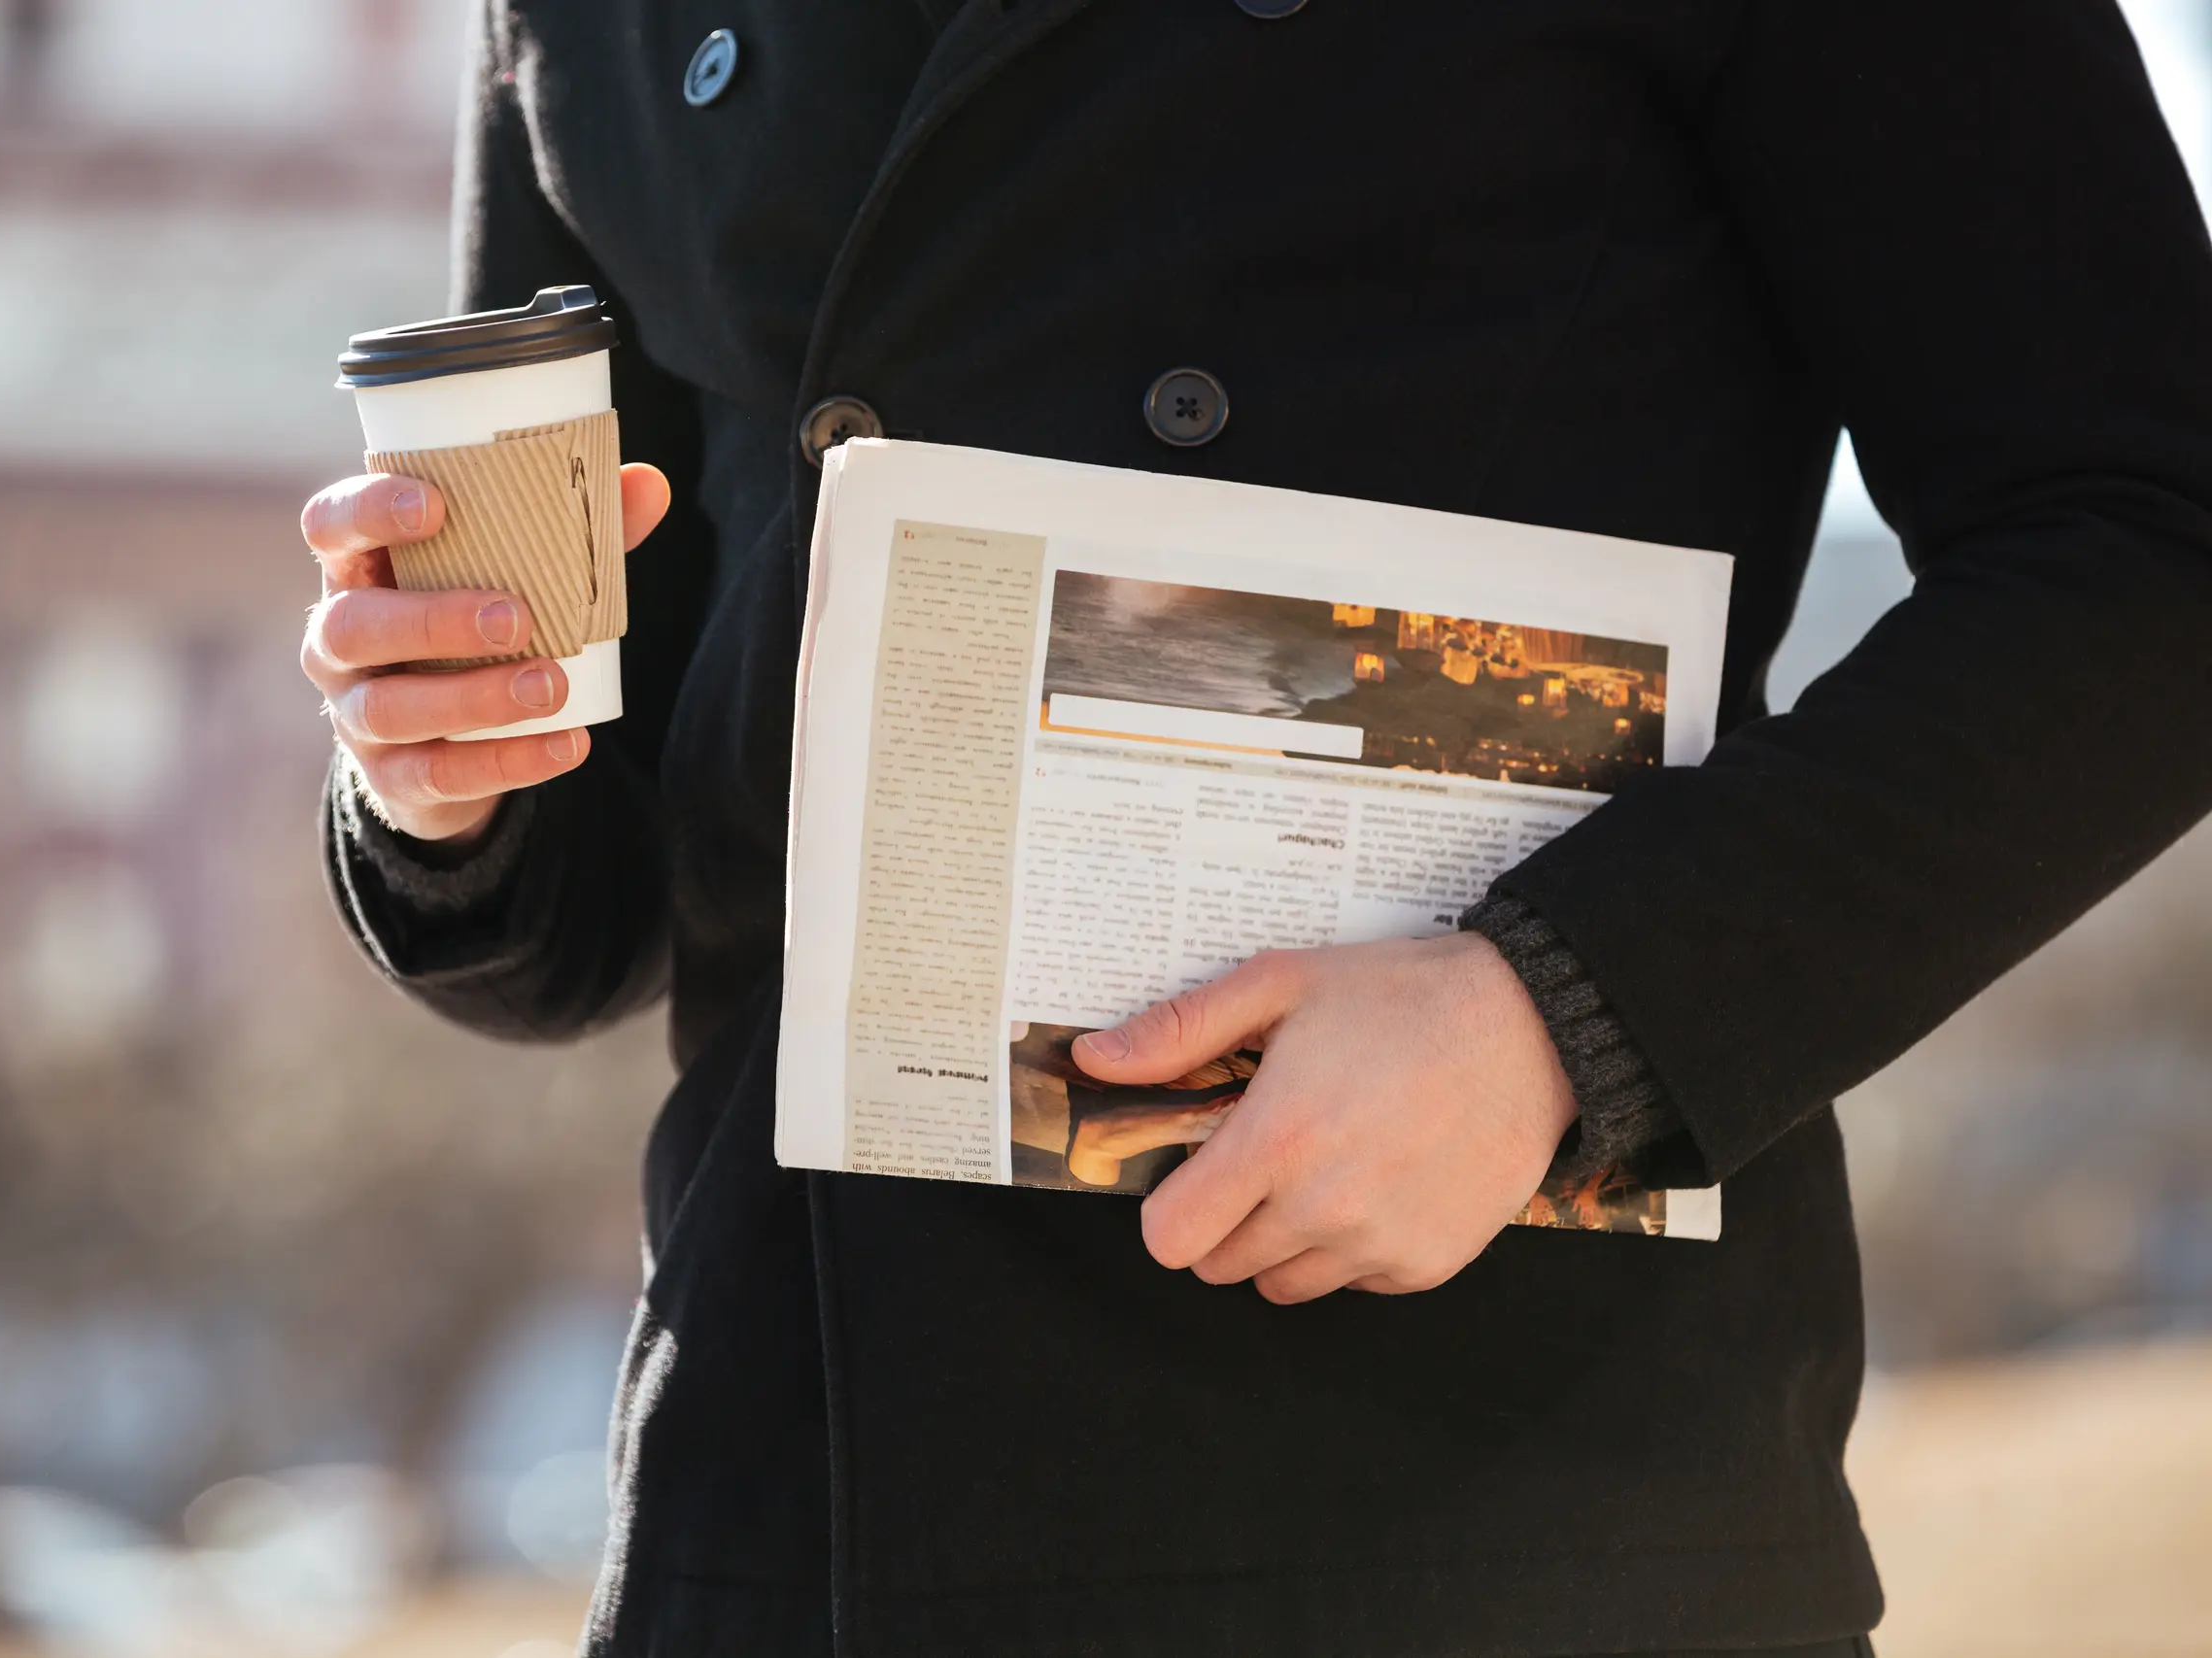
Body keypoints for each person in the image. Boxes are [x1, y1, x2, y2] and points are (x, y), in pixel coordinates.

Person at [296, 4, 2212, 1654]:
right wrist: (442, 781)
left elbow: (2147, 549)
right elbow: (598, 887)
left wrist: (1563, 1015)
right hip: (784, 1510)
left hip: (1510, 1517)